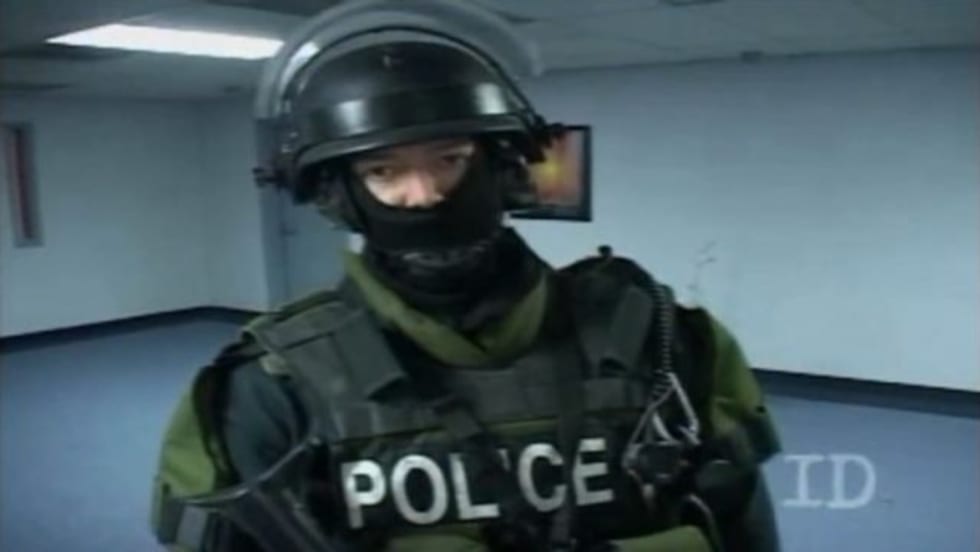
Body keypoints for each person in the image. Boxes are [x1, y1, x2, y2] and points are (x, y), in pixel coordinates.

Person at [149, 1, 782, 551]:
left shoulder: (664, 337)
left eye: (450, 160)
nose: (424, 195)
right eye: (383, 172)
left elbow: (740, 527)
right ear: (341, 197)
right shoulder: (269, 384)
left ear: (505, 170)